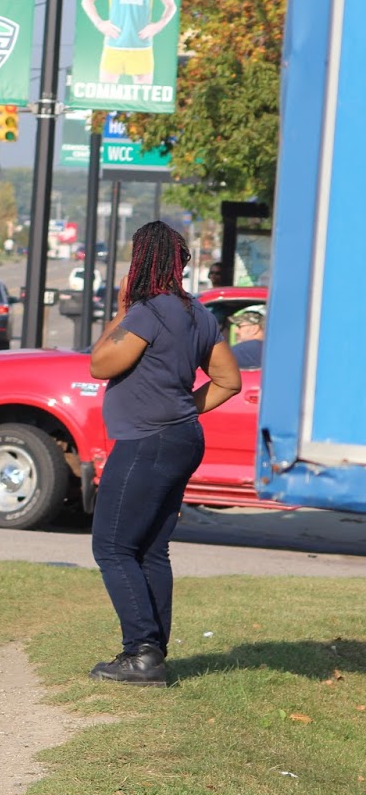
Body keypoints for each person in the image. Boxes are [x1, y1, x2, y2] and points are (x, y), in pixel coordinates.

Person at [87, 221, 241, 686]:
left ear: (141, 262)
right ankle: (153, 652)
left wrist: (121, 308)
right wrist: (181, 411)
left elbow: (99, 363)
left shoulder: (147, 313)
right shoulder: (197, 313)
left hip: (147, 442)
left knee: (112, 546)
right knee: (152, 548)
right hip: (182, 439)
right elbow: (229, 381)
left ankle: (142, 653)